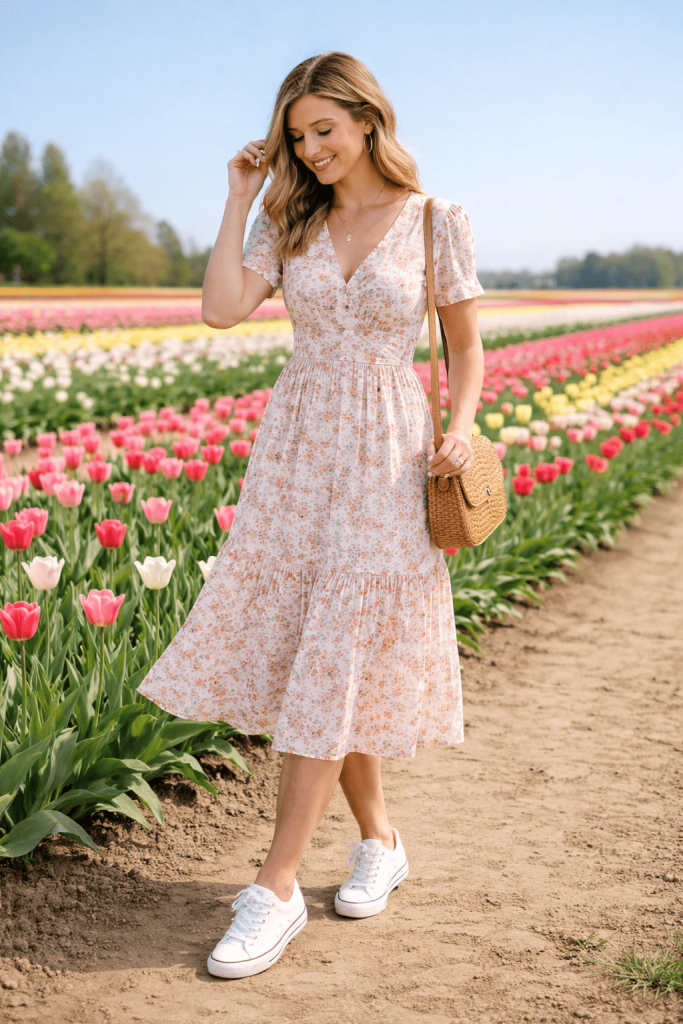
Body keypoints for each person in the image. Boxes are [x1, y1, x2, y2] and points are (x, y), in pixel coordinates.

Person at [137, 50, 485, 980]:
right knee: (325, 648)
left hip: (390, 454)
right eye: (297, 136)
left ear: (368, 120)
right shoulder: (288, 220)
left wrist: (459, 430)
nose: (311, 149)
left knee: (338, 646)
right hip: (296, 454)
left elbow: (464, 347)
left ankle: (276, 886)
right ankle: (380, 839)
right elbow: (220, 310)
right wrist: (239, 197)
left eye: (323, 130)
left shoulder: (436, 219)